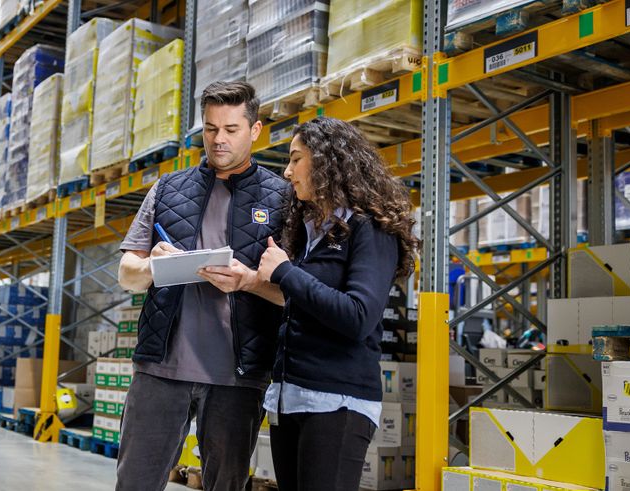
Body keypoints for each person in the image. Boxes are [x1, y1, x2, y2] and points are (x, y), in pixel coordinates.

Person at [116, 81, 288, 491]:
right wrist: (155, 267)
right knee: (135, 482)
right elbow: (127, 273)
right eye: (211, 129)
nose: (218, 140)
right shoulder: (167, 189)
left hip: (237, 376)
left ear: (255, 130)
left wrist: (247, 281)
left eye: (231, 129)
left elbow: (291, 291)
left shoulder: (282, 199)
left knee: (225, 485)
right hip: (161, 368)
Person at [255, 117, 419, 491]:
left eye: (296, 159)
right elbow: (306, 304)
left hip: (336, 404)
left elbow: (359, 316)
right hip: (289, 397)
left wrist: (285, 272)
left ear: (327, 162)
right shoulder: (313, 231)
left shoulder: (370, 229)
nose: (287, 170)